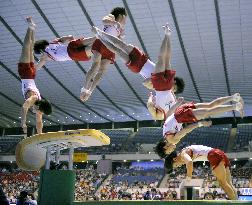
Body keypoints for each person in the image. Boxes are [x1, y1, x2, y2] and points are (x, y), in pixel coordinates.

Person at [92, 24, 184, 120]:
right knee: (121, 44)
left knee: (117, 51)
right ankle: (101, 33)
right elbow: (165, 56)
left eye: (173, 91)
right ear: (174, 82)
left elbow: (144, 83)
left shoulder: (159, 87)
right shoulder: (166, 76)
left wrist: (153, 83)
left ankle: (99, 37)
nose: (171, 90)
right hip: (142, 58)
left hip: (137, 67)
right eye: (174, 88)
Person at [156, 93, 244, 156]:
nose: (172, 150)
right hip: (180, 111)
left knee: (210, 111)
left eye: (168, 152)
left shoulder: (172, 140)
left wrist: (200, 124)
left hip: (182, 116)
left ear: (165, 147)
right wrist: (178, 103)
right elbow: (169, 113)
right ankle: (234, 97)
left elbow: (186, 130)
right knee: (210, 105)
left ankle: (236, 106)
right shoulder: (164, 132)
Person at [80, 7, 127, 101]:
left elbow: (119, 42)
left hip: (110, 47)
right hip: (101, 42)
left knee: (102, 71)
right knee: (95, 65)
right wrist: (115, 23)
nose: (125, 21)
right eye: (125, 18)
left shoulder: (121, 28)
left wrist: (121, 36)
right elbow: (104, 21)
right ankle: (84, 88)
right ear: (121, 16)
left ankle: (90, 91)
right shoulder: (111, 17)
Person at [163, 145, 237, 200]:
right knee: (228, 182)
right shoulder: (184, 152)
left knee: (222, 183)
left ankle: (235, 203)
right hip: (219, 153)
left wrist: (188, 177)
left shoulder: (183, 154)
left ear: (175, 159)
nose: (178, 166)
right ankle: (237, 200)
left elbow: (189, 162)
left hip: (213, 154)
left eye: (176, 165)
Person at [19, 17, 52, 134]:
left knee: (31, 48)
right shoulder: (33, 99)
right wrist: (23, 123)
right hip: (26, 73)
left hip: (32, 74)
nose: (38, 113)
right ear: (39, 108)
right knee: (26, 47)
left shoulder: (38, 102)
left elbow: (39, 122)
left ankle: (33, 28)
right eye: (39, 112)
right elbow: (24, 108)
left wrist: (40, 135)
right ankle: (30, 27)